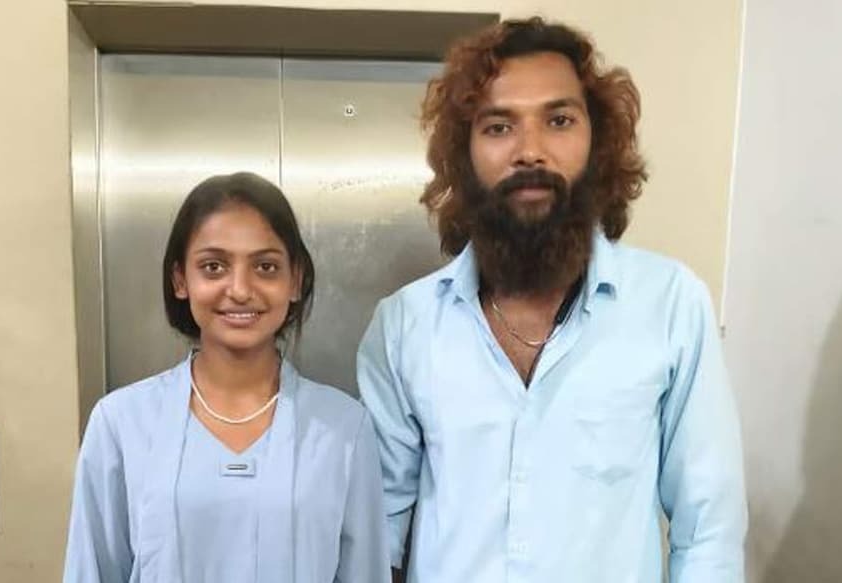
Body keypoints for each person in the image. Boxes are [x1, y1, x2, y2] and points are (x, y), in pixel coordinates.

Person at [357, 17, 746, 582]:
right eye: (498, 127)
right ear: (464, 154)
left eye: (559, 120)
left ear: (598, 142)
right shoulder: (404, 326)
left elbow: (709, 529)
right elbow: (379, 534)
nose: (530, 151)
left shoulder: (670, 305)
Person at [65, 172, 389, 582]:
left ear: (295, 281)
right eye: (213, 266)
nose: (239, 289)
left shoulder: (343, 428)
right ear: (180, 279)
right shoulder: (120, 422)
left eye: (266, 267)